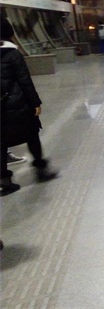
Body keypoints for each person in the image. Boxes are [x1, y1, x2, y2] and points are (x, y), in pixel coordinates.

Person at [1, 18, 58, 196]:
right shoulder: (13, 54)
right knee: (32, 135)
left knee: (1, 144)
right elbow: (25, 81)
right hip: (18, 105)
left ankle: (5, 183)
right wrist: (35, 103)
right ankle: (41, 170)